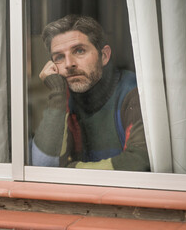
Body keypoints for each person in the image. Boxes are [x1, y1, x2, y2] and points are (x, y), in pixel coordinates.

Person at [31, 15, 150, 171]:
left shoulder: (133, 92)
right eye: (59, 57)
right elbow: (43, 165)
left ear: (104, 56)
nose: (69, 64)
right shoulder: (63, 96)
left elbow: (139, 163)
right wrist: (57, 91)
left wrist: (70, 171)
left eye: (79, 51)